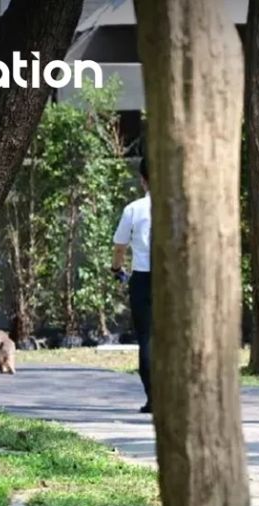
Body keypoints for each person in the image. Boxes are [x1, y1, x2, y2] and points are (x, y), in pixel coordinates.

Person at [111, 156, 153, 414]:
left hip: (143, 279)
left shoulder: (134, 209)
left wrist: (117, 268)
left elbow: (120, 246)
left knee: (147, 338)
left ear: (142, 179)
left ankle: (154, 398)